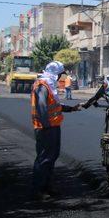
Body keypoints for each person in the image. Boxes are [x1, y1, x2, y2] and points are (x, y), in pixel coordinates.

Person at [31, 61, 81, 200]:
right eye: (60, 74)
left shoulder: (49, 86)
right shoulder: (42, 86)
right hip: (45, 128)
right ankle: (39, 189)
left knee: (51, 157)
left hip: (52, 126)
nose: (61, 77)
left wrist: (71, 108)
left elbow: (55, 105)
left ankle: (48, 186)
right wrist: (46, 126)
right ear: (55, 73)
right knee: (44, 158)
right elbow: (42, 107)